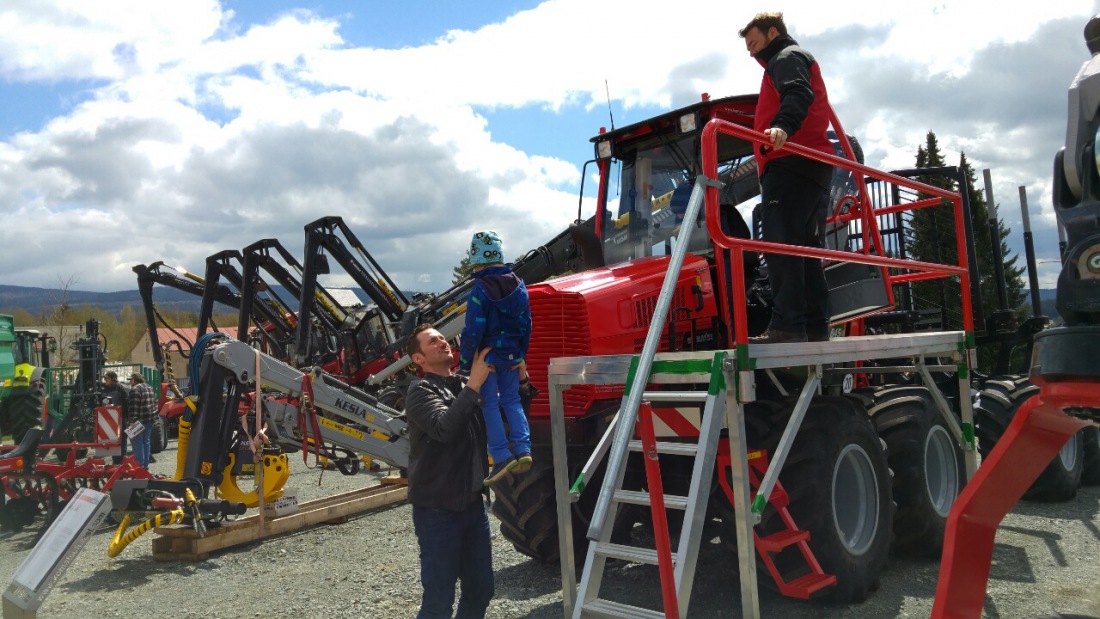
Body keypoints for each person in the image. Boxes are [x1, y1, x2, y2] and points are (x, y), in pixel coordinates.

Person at [740, 12, 836, 343]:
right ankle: (813, 325)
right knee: (804, 248)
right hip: (807, 162)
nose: (752, 53)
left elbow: (798, 93)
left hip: (791, 160)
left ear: (772, 33)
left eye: (753, 43)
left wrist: (783, 126)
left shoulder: (787, 57)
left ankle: (787, 325)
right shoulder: (787, 59)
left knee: (779, 244)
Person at [404, 324, 495, 619]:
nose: (442, 342)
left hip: (472, 507)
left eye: (442, 337)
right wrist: (474, 386)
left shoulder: (463, 384)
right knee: (439, 601)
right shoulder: (420, 391)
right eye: (432, 341)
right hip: (437, 511)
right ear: (419, 359)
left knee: (481, 590)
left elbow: (502, 419)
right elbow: (444, 428)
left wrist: (521, 379)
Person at [458, 230, 533, 485]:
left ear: (476, 261)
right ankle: (523, 449)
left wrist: (467, 362)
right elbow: (527, 324)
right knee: (512, 400)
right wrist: (521, 354)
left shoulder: (480, 290)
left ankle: (501, 455)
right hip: (512, 355)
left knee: (490, 404)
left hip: (487, 357)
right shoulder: (521, 287)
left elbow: (473, 329)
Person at [126, 373, 157, 469]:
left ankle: (139, 466)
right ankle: (145, 465)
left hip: (138, 420)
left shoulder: (135, 389)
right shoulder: (149, 387)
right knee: (146, 441)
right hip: (150, 419)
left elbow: (134, 406)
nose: (130, 382)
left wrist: (132, 421)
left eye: (131, 380)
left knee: (137, 442)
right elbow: (155, 403)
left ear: (135, 380)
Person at [102, 370, 130, 464]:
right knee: (113, 440)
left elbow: (126, 403)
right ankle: (116, 461)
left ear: (113, 379)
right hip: (109, 418)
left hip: (121, 417)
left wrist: (125, 417)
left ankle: (123, 461)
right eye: (104, 378)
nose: (105, 380)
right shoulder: (105, 389)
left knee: (121, 440)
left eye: (107, 378)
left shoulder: (120, 388)